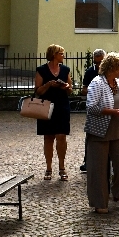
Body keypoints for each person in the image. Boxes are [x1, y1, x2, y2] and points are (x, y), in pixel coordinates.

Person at [83, 52, 119, 214]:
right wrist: (113, 112)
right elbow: (91, 107)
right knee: (98, 168)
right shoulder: (97, 83)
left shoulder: (118, 83)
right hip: (99, 131)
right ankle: (99, 201)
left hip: (117, 129)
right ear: (112, 67)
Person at [34, 44, 73, 180]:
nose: (63, 56)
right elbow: (38, 91)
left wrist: (66, 87)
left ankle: (62, 167)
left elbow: (70, 90)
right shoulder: (41, 70)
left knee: (61, 137)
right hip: (46, 106)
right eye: (61, 53)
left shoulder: (65, 70)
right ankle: (49, 168)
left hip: (62, 106)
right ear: (54, 54)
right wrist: (49, 84)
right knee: (48, 137)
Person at [79, 48, 106, 173]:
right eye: (96, 62)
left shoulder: (109, 72)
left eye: (101, 61)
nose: (99, 65)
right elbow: (84, 89)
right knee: (90, 135)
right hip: (94, 107)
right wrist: (94, 90)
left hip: (106, 107)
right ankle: (88, 160)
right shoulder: (90, 72)